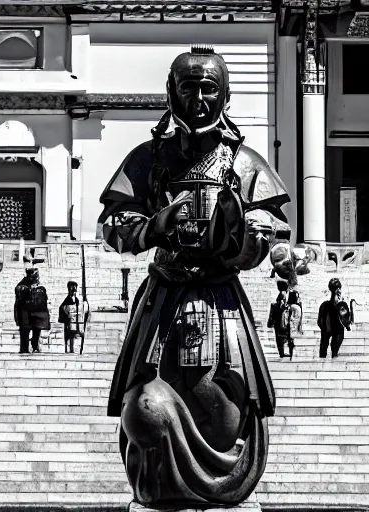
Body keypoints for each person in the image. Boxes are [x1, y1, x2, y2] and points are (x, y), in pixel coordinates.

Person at [97, 45, 300, 507]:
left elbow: (270, 227)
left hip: (220, 298)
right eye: (188, 87)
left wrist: (247, 236)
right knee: (146, 405)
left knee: (227, 408)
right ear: (171, 93)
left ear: (225, 96)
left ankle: (224, 479)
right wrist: (156, 226)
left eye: (210, 88)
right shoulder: (148, 159)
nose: (199, 99)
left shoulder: (243, 163)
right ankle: (159, 484)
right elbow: (114, 225)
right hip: (164, 298)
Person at [14, 267, 50, 354]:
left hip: (37, 312)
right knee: (25, 330)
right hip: (25, 312)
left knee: (37, 330)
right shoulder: (21, 286)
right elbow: (18, 296)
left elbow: (44, 301)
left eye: (36, 276)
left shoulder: (41, 288)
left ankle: (35, 345)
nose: (36, 278)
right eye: (34, 275)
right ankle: (24, 348)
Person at [317, 278, 345, 359]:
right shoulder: (341, 305)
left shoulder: (324, 305)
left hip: (327, 330)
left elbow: (319, 321)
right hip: (337, 331)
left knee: (323, 350)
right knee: (334, 352)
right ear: (339, 289)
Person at [58, 281, 88, 354]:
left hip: (77, 321)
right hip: (72, 321)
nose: (73, 290)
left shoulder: (79, 299)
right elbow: (64, 308)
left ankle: (73, 349)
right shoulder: (69, 299)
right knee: (70, 334)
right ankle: (71, 349)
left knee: (73, 334)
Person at [287, 289, 303, 360]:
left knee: (290, 342)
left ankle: (291, 356)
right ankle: (292, 356)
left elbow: (288, 318)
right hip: (295, 327)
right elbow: (300, 319)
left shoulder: (290, 307)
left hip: (290, 327)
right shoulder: (298, 307)